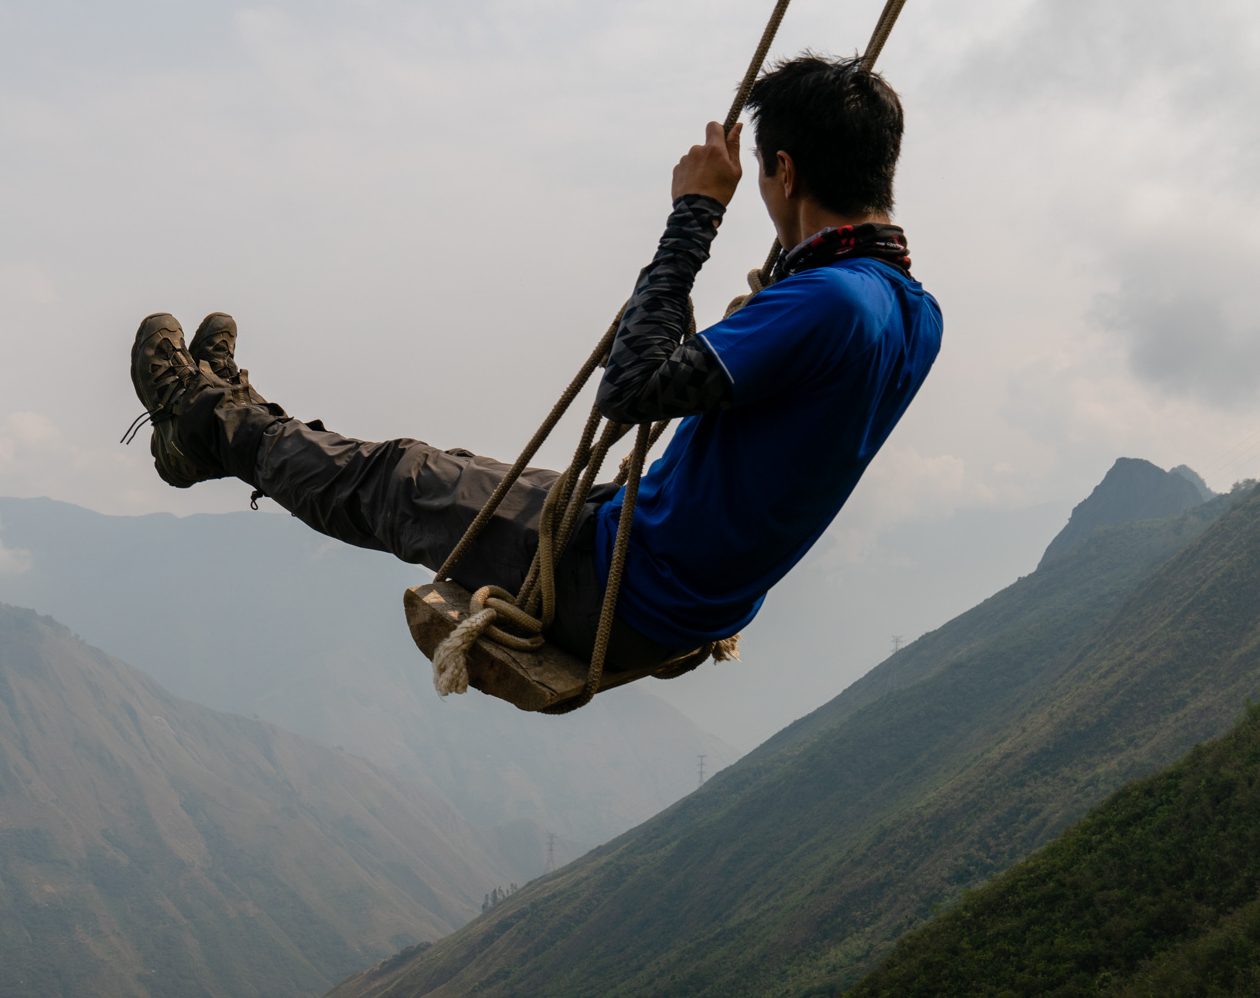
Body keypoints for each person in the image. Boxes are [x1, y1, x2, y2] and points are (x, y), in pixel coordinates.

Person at [124, 54, 943, 680]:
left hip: (624, 584)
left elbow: (630, 388)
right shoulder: (913, 311)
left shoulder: (830, 302)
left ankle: (202, 419)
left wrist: (694, 213)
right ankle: (229, 413)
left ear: (785, 170)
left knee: (396, 482)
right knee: (428, 470)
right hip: (658, 551)